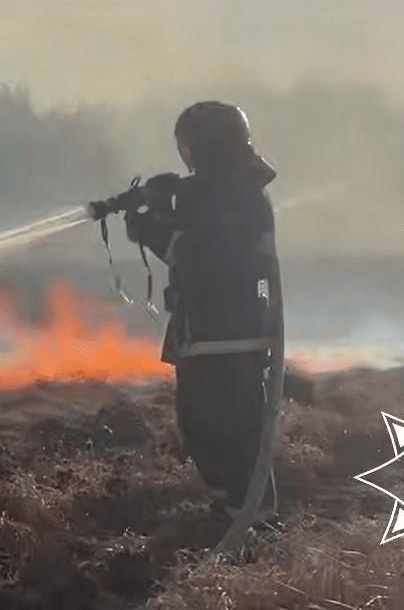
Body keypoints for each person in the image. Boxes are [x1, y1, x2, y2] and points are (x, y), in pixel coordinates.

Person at [120, 101, 281, 522]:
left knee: (212, 431)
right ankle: (246, 512)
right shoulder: (235, 191)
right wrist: (162, 208)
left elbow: (196, 254)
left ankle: (245, 520)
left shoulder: (223, 197)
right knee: (238, 432)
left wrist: (148, 225)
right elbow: (197, 239)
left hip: (216, 334)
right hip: (236, 332)